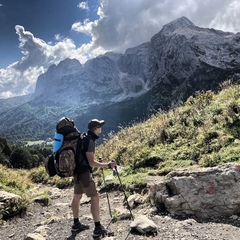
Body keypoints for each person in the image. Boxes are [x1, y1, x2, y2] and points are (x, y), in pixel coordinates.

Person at [71, 118, 116, 238]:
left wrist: (97, 162)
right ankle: (97, 228)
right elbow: (91, 162)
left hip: (76, 172)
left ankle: (76, 224)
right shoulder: (89, 140)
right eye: (99, 126)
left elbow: (85, 158)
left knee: (77, 197)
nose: (101, 128)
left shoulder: (83, 137)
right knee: (95, 197)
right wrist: (107, 165)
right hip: (84, 173)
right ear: (95, 129)